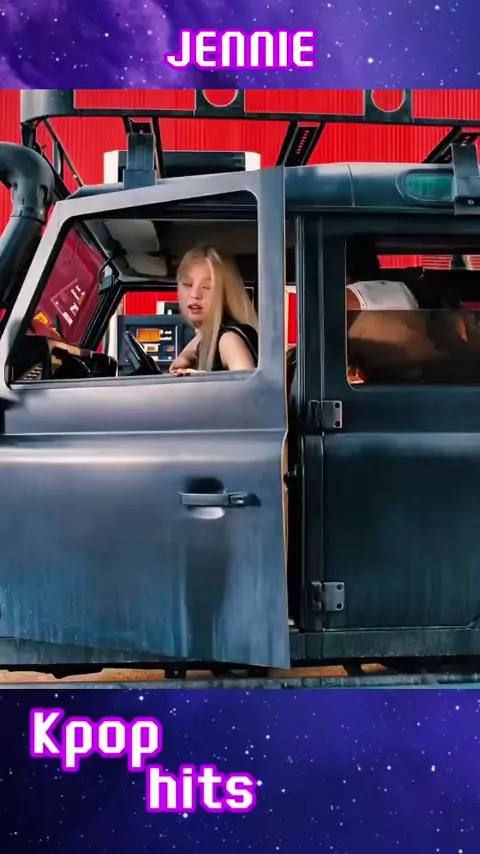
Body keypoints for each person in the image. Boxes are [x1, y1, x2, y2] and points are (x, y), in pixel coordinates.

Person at [169, 245, 258, 374]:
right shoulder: (206, 335)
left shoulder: (229, 340)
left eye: (207, 287)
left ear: (225, 292)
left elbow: (252, 386)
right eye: (187, 284)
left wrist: (202, 380)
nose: (195, 295)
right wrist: (185, 357)